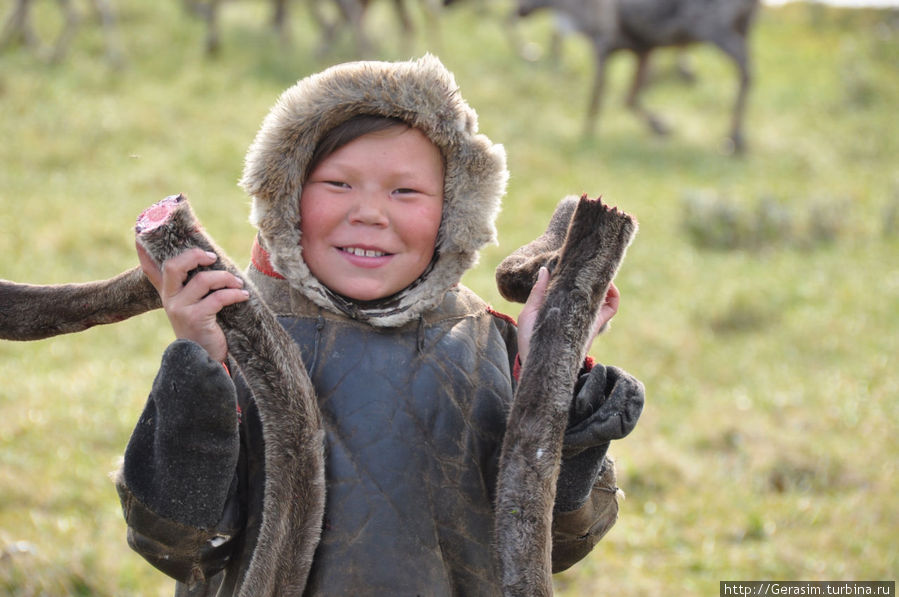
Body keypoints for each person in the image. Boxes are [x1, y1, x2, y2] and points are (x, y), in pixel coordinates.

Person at [116, 54, 644, 596]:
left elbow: (561, 543)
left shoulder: (495, 347)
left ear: (453, 212)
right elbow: (178, 546)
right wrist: (202, 368)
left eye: (405, 191)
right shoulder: (236, 341)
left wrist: (547, 373)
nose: (370, 212)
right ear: (287, 195)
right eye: (338, 184)